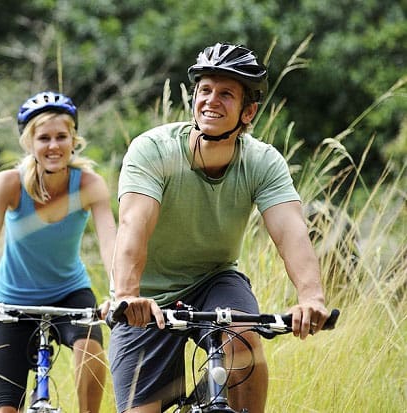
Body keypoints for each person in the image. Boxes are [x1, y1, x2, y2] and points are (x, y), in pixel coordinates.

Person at [108, 43, 331, 413]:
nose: (211, 100)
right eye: (205, 90)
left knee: (243, 337)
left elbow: (292, 232)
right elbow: (134, 225)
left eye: (226, 94)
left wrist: (312, 298)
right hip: (145, 298)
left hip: (214, 280)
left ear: (248, 111)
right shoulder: (153, 150)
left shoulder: (262, 161)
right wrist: (129, 295)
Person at [0, 91, 117, 413]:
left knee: (90, 351)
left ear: (73, 139)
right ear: (29, 143)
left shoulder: (90, 185)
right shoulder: (9, 183)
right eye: (44, 138)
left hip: (69, 293)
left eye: (61, 137)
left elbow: (110, 244)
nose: (53, 146)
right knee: (5, 408)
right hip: (12, 298)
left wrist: (119, 293)